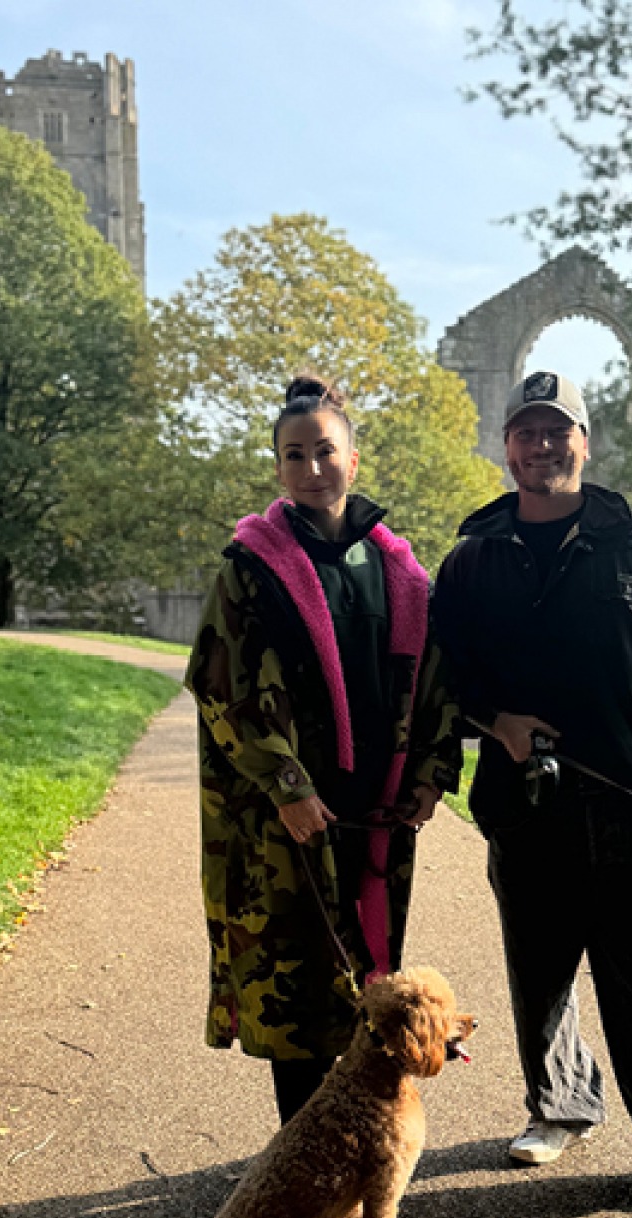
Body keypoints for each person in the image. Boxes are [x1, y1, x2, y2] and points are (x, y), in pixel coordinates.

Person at [431, 369, 632, 1218]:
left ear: (585, 439)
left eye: (558, 430)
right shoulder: (471, 559)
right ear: (505, 446)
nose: (541, 445)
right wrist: (496, 720)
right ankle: (560, 1106)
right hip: (524, 808)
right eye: (525, 432)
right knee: (539, 977)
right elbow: (441, 678)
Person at [185, 375, 462, 1126]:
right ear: (278, 468)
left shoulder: (401, 573)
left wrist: (432, 776)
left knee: (365, 980)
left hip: (374, 819)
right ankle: (302, 1162)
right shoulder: (249, 571)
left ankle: (351, 1151)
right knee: (299, 987)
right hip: (287, 823)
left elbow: (438, 683)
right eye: (294, 455)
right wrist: (287, 784)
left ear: (354, 459)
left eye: (325, 452)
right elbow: (221, 688)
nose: (312, 469)